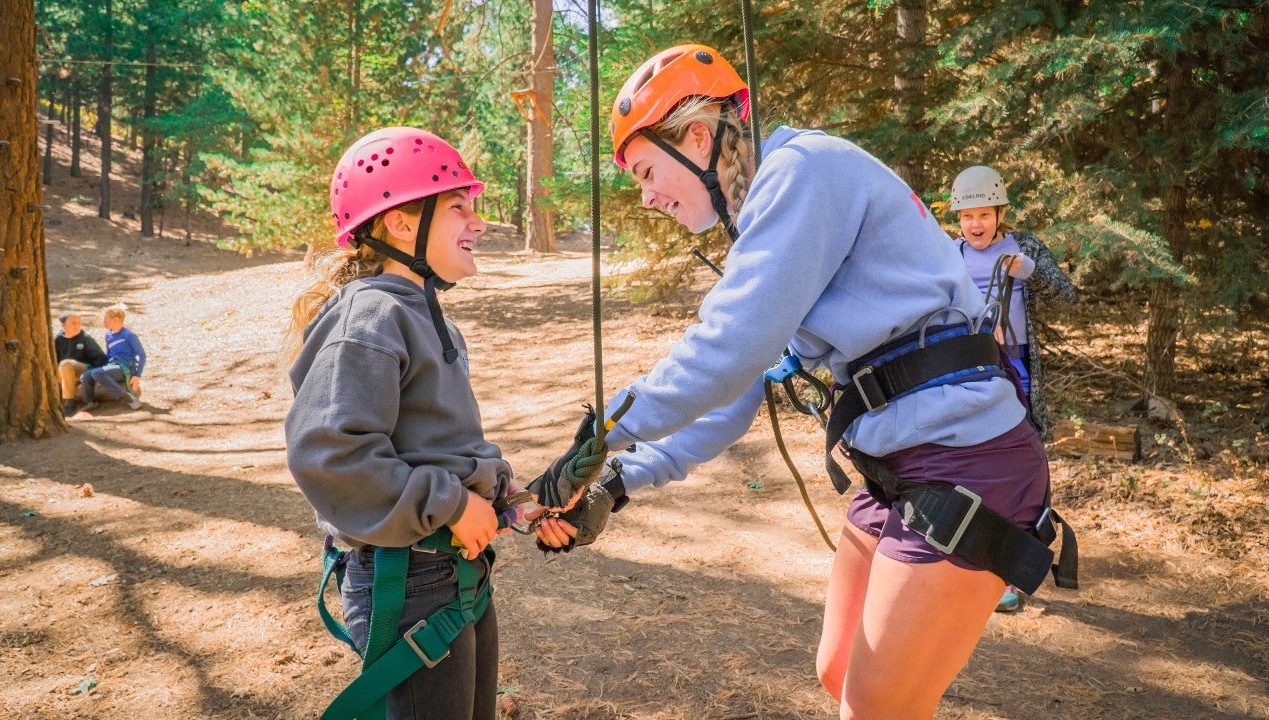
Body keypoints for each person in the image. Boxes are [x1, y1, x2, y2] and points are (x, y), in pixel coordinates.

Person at [532, 45, 1076, 720]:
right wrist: (619, 480)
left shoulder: (801, 172)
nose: (646, 197)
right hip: (898, 465)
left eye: (646, 171)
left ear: (697, 137)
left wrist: (602, 434)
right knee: (840, 670)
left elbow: (730, 346)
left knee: (876, 708)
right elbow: (732, 392)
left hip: (967, 462)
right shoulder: (776, 213)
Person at [282, 127, 596, 720]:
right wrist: (451, 505)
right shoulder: (371, 315)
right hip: (409, 580)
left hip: (454, 576)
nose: (478, 223)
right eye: (459, 207)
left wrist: (517, 502)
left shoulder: (430, 319)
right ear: (401, 223)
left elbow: (436, 447)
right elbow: (329, 452)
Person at [950, 165, 1079, 613]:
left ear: (1000, 212)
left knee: (1020, 467)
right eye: (967, 216)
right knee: (972, 465)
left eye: (984, 214)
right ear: (956, 220)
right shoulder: (950, 254)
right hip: (968, 370)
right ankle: (969, 565)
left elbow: (1069, 297)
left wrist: (1031, 273)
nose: (976, 224)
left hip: (1018, 373)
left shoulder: (1023, 249)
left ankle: (1010, 574)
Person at [78, 305, 145, 412]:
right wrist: (103, 373)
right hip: (112, 367)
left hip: (125, 368)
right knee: (87, 375)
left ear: (116, 320)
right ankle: (90, 402)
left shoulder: (129, 335)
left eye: (106, 319)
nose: (103, 322)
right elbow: (109, 356)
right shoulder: (108, 335)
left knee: (96, 373)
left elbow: (141, 355)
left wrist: (137, 375)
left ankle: (128, 398)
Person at [54, 311, 108, 416]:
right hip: (64, 373)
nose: (77, 325)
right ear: (63, 325)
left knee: (66, 363)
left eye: (79, 322)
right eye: (73, 323)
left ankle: (69, 403)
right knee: (61, 366)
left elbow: (100, 357)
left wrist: (93, 376)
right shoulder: (58, 339)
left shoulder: (85, 338)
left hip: (83, 371)